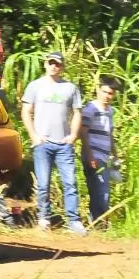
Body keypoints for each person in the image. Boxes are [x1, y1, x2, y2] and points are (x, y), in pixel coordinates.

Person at [21, 51, 88, 235]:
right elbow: (26, 111)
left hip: (63, 145)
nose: (54, 66)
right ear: (45, 64)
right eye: (51, 63)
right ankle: (44, 218)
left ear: (62, 66)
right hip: (42, 144)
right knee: (43, 184)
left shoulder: (70, 88)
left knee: (70, 183)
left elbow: (77, 113)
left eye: (57, 64)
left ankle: (74, 221)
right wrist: (34, 136)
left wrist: (73, 135)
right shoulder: (35, 86)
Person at [80, 77, 119, 225]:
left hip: (104, 156)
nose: (107, 96)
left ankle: (96, 223)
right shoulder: (91, 109)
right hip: (94, 155)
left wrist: (115, 154)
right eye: (104, 92)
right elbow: (83, 133)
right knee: (101, 192)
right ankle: (97, 222)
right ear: (98, 90)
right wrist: (90, 156)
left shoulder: (110, 111)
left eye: (110, 93)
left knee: (100, 192)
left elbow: (110, 134)